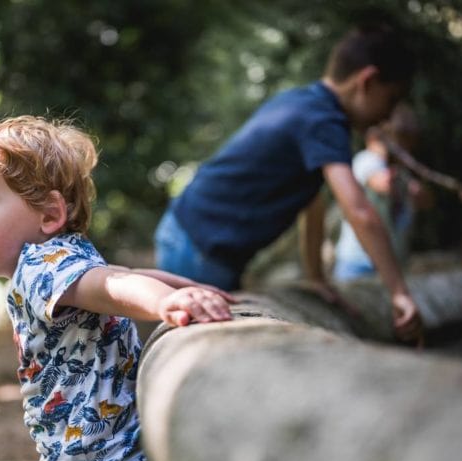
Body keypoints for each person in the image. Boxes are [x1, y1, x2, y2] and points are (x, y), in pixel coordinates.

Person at [0, 116, 234, 461]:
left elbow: (112, 284)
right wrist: (184, 288)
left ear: (50, 214)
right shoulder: (67, 256)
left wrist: (172, 301)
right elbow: (117, 275)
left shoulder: (40, 268)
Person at [154, 22, 422, 341]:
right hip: (200, 247)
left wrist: (315, 277)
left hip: (190, 232)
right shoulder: (323, 120)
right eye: (391, 100)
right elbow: (359, 211)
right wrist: (399, 293)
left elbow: (312, 201)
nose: (387, 117)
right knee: (202, 340)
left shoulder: (304, 102)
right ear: (367, 81)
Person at [333, 103, 433, 281]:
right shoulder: (366, 161)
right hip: (358, 261)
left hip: (392, 262)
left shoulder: (400, 172)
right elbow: (382, 183)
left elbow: (426, 201)